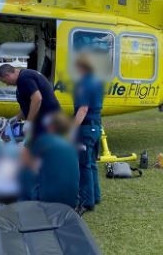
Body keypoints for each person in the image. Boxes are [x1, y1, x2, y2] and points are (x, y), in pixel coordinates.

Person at [20, 112, 79, 208]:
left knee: (25, 175)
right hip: (72, 201)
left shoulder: (44, 140)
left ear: (51, 126)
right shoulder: (71, 146)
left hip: (49, 200)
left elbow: (25, 160)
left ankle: (25, 208)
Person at [72, 54, 104, 212]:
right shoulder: (97, 81)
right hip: (96, 126)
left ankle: (86, 201)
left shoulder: (83, 84)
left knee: (83, 165)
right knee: (91, 163)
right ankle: (95, 195)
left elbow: (83, 109)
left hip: (85, 128)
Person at [0, 64, 60, 137]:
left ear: (7, 75)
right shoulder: (23, 79)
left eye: (5, 81)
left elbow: (37, 99)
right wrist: (16, 118)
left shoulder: (24, 78)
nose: (7, 84)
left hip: (49, 120)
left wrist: (29, 122)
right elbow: (28, 106)